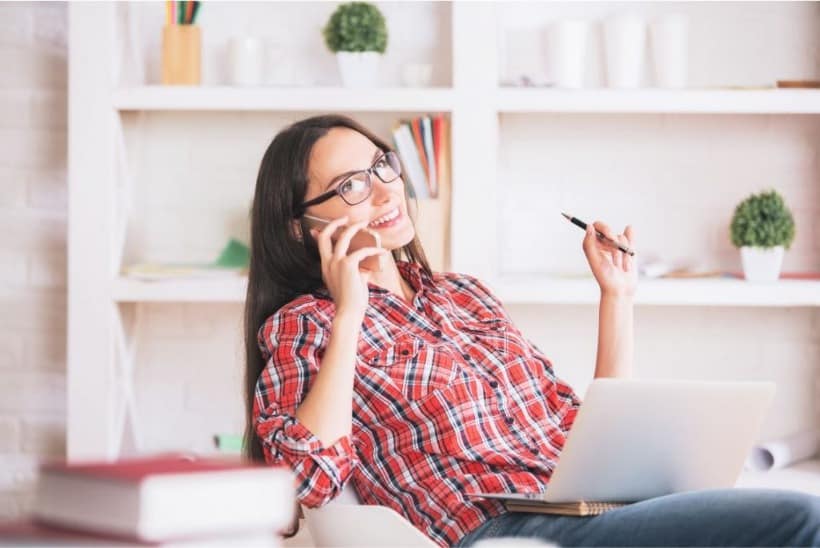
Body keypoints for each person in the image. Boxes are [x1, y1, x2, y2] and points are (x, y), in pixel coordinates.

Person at [243, 114, 820, 547]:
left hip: (587, 510)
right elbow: (302, 485)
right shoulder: (306, 327)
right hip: (506, 535)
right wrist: (350, 314)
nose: (386, 190)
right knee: (798, 522)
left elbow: (589, 436)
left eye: (381, 166)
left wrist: (615, 298)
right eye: (351, 186)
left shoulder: (463, 294)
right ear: (301, 228)